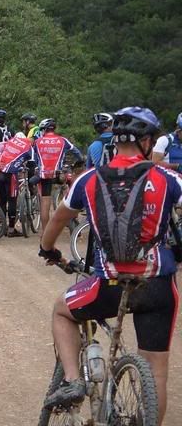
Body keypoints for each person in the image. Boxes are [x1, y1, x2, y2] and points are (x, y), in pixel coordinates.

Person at [39, 107, 180, 424]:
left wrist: (48, 250)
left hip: (110, 285)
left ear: (115, 140)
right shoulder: (167, 178)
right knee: (156, 370)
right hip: (157, 285)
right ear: (146, 141)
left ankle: (74, 381)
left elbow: (57, 221)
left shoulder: (88, 180)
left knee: (62, 310)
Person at [33, 118, 83, 231]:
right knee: (67, 185)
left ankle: (45, 232)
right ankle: (71, 211)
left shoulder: (38, 142)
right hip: (59, 174)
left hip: (44, 175)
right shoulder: (63, 140)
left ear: (44, 130)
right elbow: (76, 152)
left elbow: (34, 157)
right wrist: (79, 162)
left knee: (45, 204)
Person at [0, 133, 34, 237]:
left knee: (2, 200)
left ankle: (1, 227)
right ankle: (11, 229)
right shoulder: (24, 147)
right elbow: (27, 161)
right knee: (12, 200)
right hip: (10, 176)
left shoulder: (5, 144)